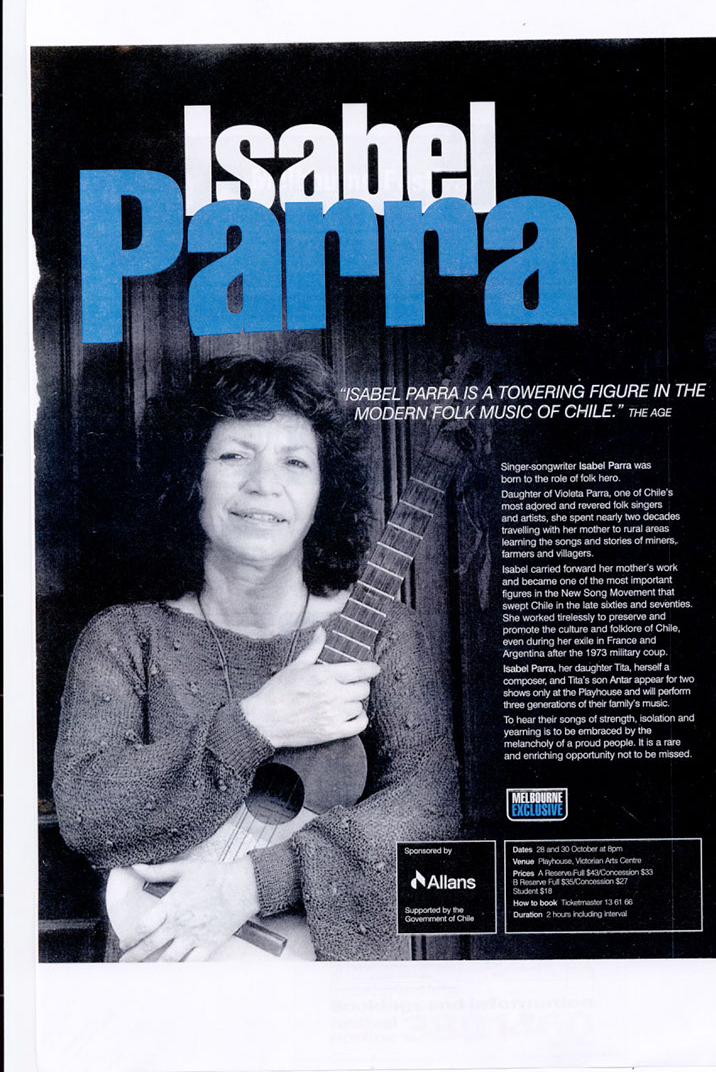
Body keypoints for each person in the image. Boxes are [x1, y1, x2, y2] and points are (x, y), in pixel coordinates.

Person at [53, 354, 460, 962]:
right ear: (190, 477)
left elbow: (430, 813)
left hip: (338, 988)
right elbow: (88, 811)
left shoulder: (386, 634)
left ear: (324, 491)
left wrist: (250, 885)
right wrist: (257, 723)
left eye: (295, 462)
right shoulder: (124, 638)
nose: (264, 484)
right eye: (233, 456)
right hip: (166, 975)